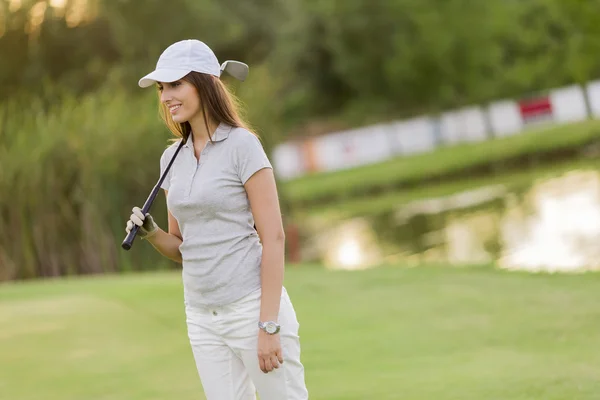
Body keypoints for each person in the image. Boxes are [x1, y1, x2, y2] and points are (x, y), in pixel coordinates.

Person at [125, 39, 309, 399]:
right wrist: (151, 233)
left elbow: (273, 237)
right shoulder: (170, 160)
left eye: (175, 84)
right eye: (162, 88)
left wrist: (268, 325)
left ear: (205, 82)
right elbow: (182, 248)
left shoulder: (242, 145)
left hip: (252, 307)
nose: (165, 96)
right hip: (201, 316)